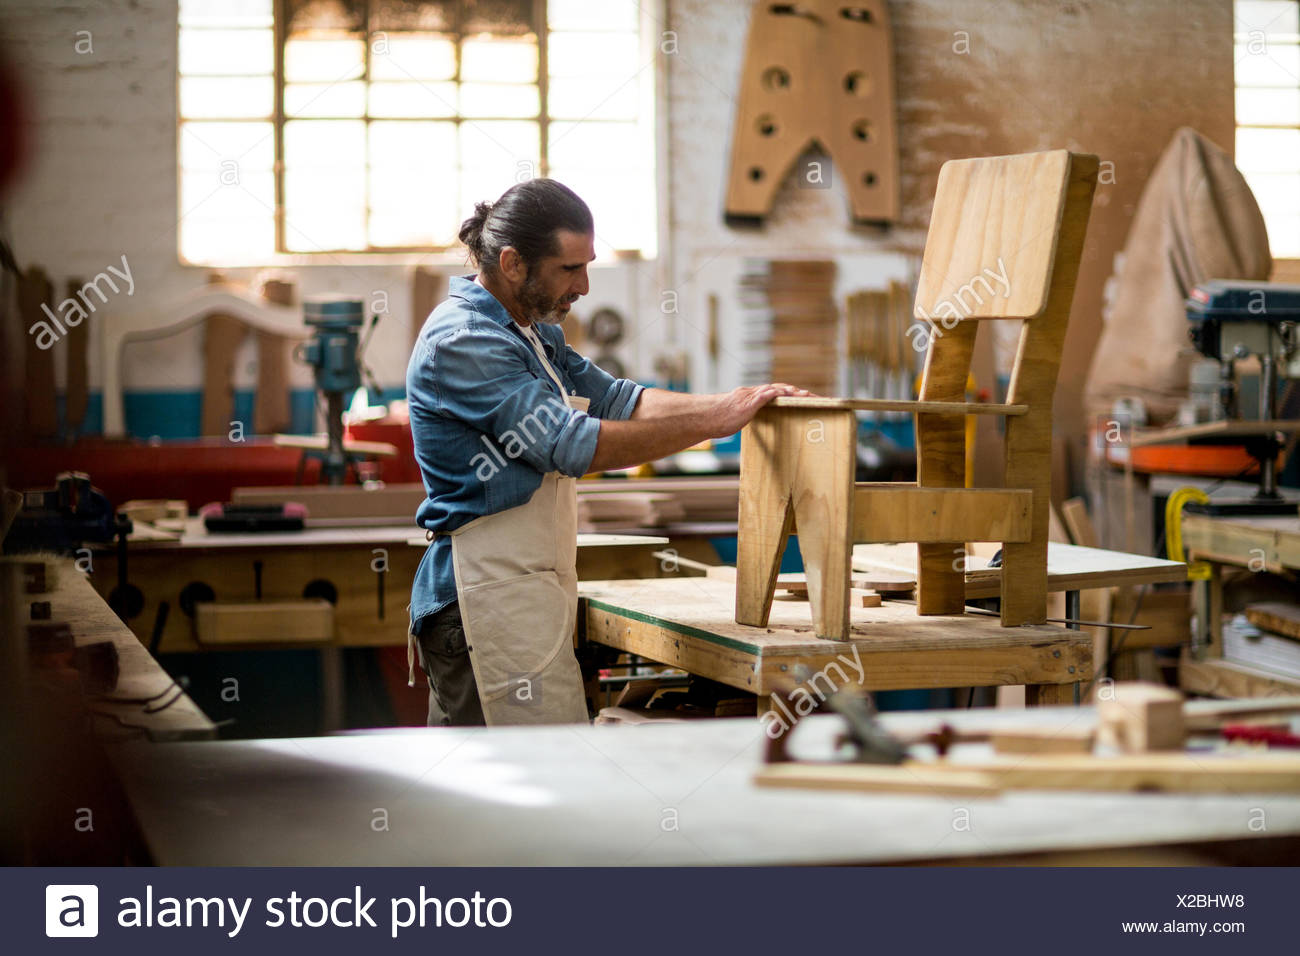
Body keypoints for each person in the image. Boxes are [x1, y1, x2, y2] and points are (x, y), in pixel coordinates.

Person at [405, 178, 808, 726]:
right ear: (513, 263)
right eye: (571, 269)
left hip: (524, 592)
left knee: (537, 779)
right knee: (499, 788)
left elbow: (618, 401)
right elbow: (567, 444)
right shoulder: (465, 340)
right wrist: (715, 422)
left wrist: (735, 404)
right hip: (476, 601)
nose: (585, 286)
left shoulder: (533, 333)